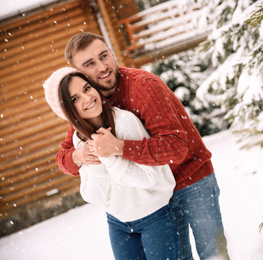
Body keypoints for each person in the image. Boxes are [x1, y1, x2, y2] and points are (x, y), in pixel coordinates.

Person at [56, 32, 229, 260]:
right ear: (78, 73)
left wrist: (118, 146)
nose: (102, 66)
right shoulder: (89, 102)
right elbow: (65, 159)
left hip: (191, 178)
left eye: (104, 56)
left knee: (213, 253)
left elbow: (176, 147)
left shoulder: (143, 86)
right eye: (90, 64)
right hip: (155, 197)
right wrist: (78, 157)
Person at [43, 67, 179, 260]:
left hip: (154, 216)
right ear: (68, 110)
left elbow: (150, 178)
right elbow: (93, 195)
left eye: (87, 88)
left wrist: (110, 155)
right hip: (118, 224)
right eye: (75, 99)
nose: (87, 98)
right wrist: (94, 162)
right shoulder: (79, 139)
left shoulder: (124, 122)